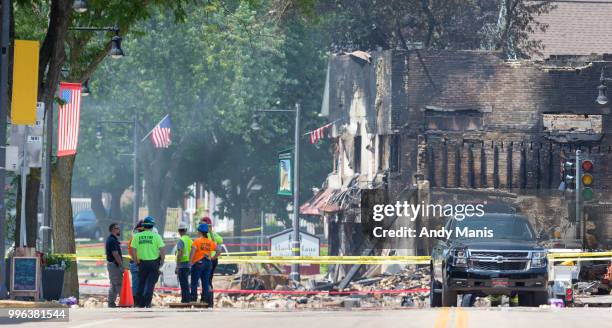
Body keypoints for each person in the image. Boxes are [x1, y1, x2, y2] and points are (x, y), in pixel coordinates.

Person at [130, 216, 165, 308]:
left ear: (144, 226)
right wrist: (162, 261)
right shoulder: (157, 236)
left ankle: (138, 303)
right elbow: (162, 250)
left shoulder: (137, 236)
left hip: (142, 263)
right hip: (154, 263)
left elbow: (133, 250)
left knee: (141, 282)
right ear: (152, 226)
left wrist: (136, 260)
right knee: (150, 284)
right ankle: (147, 303)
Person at [189, 223, 219, 306]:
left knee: (194, 282)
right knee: (205, 282)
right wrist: (213, 258)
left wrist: (190, 262)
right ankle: (204, 300)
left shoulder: (197, 241)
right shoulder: (210, 242)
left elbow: (192, 252)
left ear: (200, 232)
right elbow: (219, 251)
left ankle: (193, 299)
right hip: (208, 263)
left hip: (198, 263)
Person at [201, 217, 223, 289]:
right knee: (209, 280)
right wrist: (214, 258)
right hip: (213, 260)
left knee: (205, 280)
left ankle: (206, 297)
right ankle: (209, 297)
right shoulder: (217, 236)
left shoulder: (205, 236)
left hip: (207, 260)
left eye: (202, 224)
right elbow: (219, 251)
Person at [105, 223, 123, 308]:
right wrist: (121, 265)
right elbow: (115, 254)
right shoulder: (112, 240)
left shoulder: (113, 239)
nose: (119, 229)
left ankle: (111, 302)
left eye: (119, 228)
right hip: (114, 265)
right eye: (117, 228)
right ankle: (123, 301)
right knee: (118, 283)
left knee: (114, 284)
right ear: (113, 230)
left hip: (113, 265)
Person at [175, 221, 192, 303]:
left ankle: (185, 300)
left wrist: (177, 266)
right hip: (189, 264)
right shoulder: (190, 240)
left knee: (183, 283)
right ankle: (187, 299)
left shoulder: (181, 240)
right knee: (186, 283)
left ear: (179, 231)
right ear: (186, 230)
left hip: (182, 265)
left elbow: (180, 253)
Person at [128, 220, 144, 297]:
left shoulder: (133, 238)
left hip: (134, 263)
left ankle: (135, 301)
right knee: (144, 283)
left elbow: (130, 251)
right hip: (141, 263)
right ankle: (143, 301)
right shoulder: (141, 239)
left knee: (135, 284)